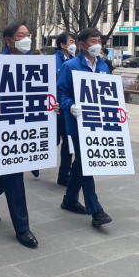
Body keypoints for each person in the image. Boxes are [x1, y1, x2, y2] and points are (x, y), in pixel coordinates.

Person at [0, 21, 40, 248]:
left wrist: (52, 106)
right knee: (14, 175)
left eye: (28, 34)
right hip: (3, 126)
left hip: (27, 125)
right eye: (21, 35)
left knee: (11, 169)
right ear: (8, 40)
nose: (27, 38)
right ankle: (22, 227)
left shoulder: (35, 63)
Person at [57, 28, 113, 227]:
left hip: (98, 123)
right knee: (87, 163)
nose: (98, 44)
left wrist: (118, 112)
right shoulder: (70, 66)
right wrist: (70, 106)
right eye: (93, 41)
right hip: (78, 122)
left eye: (99, 40)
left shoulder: (104, 66)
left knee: (81, 163)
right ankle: (96, 210)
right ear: (82, 44)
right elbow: (60, 92)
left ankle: (69, 200)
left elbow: (108, 93)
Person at [54, 31, 76, 186]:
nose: (73, 44)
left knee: (68, 144)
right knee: (52, 140)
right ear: (62, 45)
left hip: (68, 110)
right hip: (55, 109)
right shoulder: (54, 61)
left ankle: (63, 175)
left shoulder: (74, 61)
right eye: (70, 41)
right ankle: (34, 161)